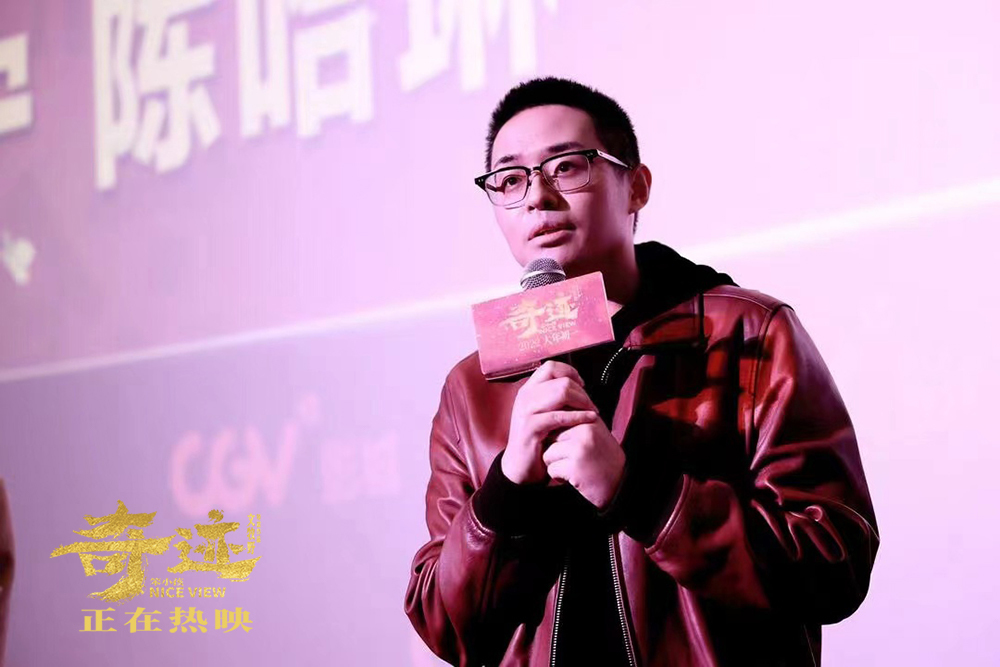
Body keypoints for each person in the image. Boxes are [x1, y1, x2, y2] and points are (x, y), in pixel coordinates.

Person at [404, 77, 878, 667]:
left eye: (566, 167)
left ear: (637, 187)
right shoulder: (473, 387)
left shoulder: (748, 333)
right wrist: (506, 488)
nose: (537, 198)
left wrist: (639, 493)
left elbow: (835, 560)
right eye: (510, 180)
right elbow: (445, 625)